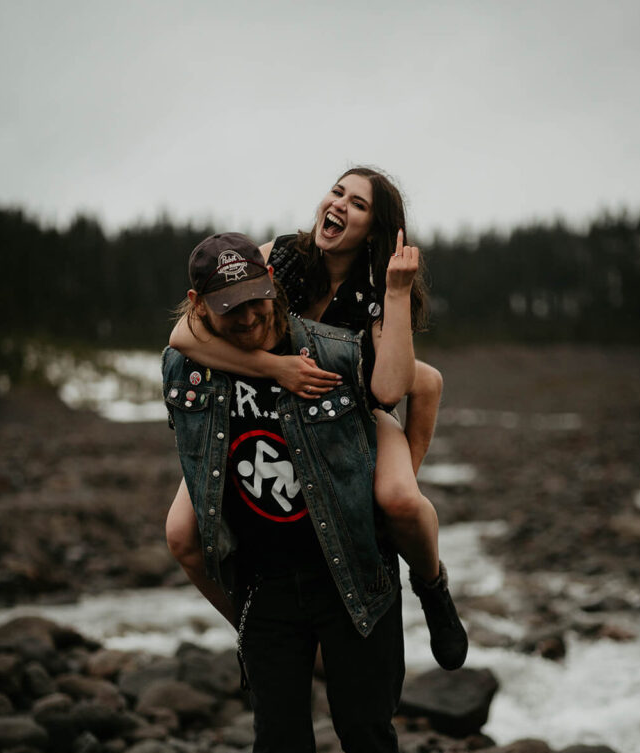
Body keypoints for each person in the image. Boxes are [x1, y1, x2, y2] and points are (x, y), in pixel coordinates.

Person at [162, 232, 423, 753]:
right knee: (278, 750)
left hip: (352, 576)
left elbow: (407, 388)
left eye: (255, 303)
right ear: (198, 305)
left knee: (365, 734)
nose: (245, 319)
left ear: (274, 288)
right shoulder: (183, 364)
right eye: (227, 310)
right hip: (264, 585)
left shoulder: (333, 352)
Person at [167, 167, 467, 671]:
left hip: (351, 411)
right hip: (264, 409)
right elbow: (183, 334)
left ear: (374, 227)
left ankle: (432, 585)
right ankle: (259, 630)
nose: (340, 205)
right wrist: (275, 367)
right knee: (182, 537)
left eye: (359, 203)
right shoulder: (278, 255)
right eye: (337, 192)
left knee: (398, 500)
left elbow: (392, 389)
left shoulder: (377, 287)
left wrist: (395, 293)